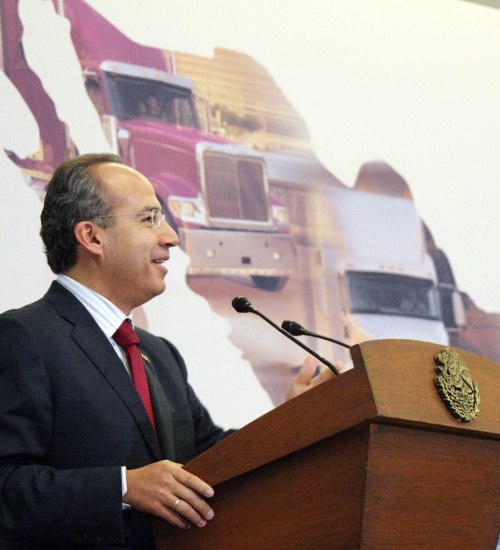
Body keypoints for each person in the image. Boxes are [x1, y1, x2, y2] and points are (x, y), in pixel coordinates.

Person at [0, 153, 336, 549]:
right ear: (92, 237)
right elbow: (6, 484)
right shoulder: (22, 338)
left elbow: (209, 458)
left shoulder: (159, 354)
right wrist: (123, 487)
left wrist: (290, 423)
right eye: (149, 218)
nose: (171, 237)